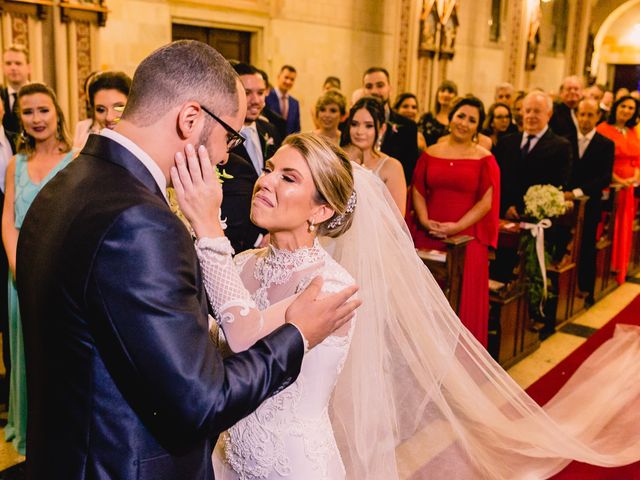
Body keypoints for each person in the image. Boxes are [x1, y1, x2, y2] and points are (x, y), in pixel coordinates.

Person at [176, 128, 640, 480]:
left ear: (321, 210)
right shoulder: (242, 264)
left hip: (291, 464)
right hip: (229, 455)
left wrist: (208, 232)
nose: (265, 181)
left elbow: (243, 334)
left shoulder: (332, 285)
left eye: (288, 176)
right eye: (271, 167)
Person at [15, 40, 359, 479]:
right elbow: (202, 398)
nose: (225, 157)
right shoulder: (142, 223)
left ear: (322, 209)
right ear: (191, 118)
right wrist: (296, 333)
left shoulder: (62, 187)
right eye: (229, 137)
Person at [1, 83, 74, 455]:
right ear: (20, 119)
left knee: (59, 356)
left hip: (62, 278)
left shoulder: (75, 159)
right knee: (25, 354)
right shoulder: (16, 164)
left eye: (43, 110)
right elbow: (9, 222)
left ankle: (57, 436)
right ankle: (27, 427)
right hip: (22, 279)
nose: (37, 119)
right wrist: (20, 269)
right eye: (28, 112)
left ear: (57, 113)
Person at [407, 96, 499, 347]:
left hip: (465, 238)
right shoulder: (430, 152)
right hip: (429, 232)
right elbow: (417, 188)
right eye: (461, 116)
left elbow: (486, 202)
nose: (464, 123)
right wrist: (424, 219)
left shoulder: (484, 158)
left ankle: (461, 357)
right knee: (423, 297)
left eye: (472, 120)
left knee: (463, 298)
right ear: (451, 117)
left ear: (478, 126)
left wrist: (457, 227)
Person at [226, 62, 281, 253]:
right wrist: (257, 238)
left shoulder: (271, 130)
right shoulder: (221, 138)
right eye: (247, 93)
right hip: (235, 242)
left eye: (260, 92)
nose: (256, 100)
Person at [565, 98, 614, 304]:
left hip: (590, 202)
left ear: (598, 117)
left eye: (590, 115)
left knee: (587, 246)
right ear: (577, 116)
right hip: (565, 202)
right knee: (562, 244)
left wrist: (576, 192)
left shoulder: (605, 144)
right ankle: (563, 289)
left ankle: (586, 289)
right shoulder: (565, 140)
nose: (585, 119)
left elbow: (604, 177)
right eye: (582, 114)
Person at [496, 91, 572, 218]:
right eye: (527, 111)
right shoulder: (506, 142)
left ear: (549, 114)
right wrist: (505, 207)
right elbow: (498, 179)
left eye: (537, 111)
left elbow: (557, 185)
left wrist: (529, 210)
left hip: (539, 219)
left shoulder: (561, 146)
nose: (531, 116)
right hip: (504, 215)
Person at [596, 95, 640, 285]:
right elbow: (602, 161)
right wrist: (619, 180)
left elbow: (637, 157)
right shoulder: (603, 130)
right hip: (611, 184)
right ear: (616, 108)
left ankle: (619, 266)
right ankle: (603, 266)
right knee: (608, 225)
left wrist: (635, 177)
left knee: (625, 225)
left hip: (629, 187)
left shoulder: (631, 131)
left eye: (631, 108)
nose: (627, 111)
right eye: (624, 106)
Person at [341, 97, 406, 216]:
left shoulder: (392, 167)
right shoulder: (337, 160)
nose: (360, 131)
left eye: (368, 126)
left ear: (382, 129)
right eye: (354, 124)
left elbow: (397, 219)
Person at [362, 67, 419, 184]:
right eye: (369, 86)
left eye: (380, 85)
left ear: (390, 89)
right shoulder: (350, 124)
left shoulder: (408, 126)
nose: (374, 91)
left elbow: (410, 170)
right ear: (363, 91)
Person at [73, 71, 131, 149]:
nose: (109, 117)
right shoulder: (91, 149)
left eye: (118, 107)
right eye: (101, 110)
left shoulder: (147, 144)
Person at [1, 44, 30, 150]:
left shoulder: (39, 95)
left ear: (28, 67)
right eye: (8, 63)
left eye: (18, 63)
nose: (13, 67)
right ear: (2, 67)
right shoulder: (0, 96)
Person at [418, 79, 458, 147]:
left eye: (450, 92)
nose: (445, 94)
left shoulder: (458, 120)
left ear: (455, 96)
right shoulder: (426, 118)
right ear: (437, 94)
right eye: (442, 91)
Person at [265, 65, 301, 135]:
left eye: (292, 79)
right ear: (278, 76)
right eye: (286, 77)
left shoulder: (295, 103)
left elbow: (297, 129)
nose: (288, 81)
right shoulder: (267, 97)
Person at [549, 75, 583, 139]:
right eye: (569, 89)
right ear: (561, 92)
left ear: (582, 92)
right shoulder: (553, 111)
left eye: (576, 89)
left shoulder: (584, 111)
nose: (572, 92)